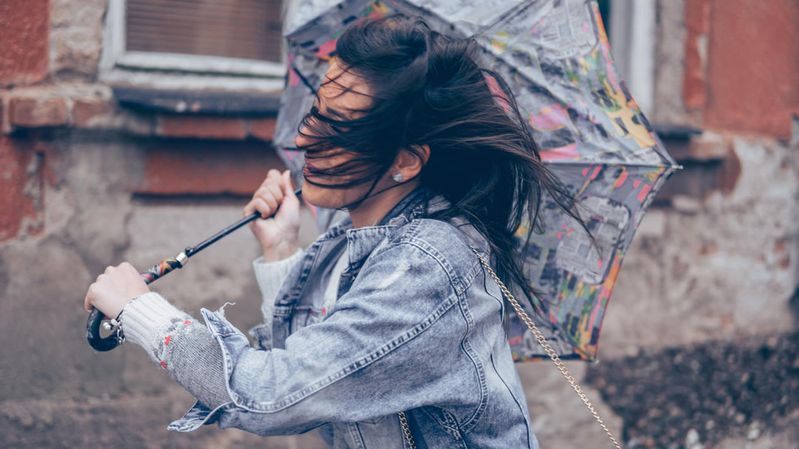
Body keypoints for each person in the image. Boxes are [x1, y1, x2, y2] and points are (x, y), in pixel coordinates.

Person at [83, 15, 588, 449]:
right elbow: (317, 379)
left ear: (406, 161)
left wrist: (140, 311)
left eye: (340, 128)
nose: (305, 138)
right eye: (317, 112)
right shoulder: (357, 240)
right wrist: (282, 252)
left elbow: (269, 396)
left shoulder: (427, 265)